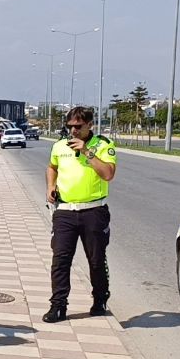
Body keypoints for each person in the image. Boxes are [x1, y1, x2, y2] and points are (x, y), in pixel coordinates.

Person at [44, 106, 117, 323]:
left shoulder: (103, 145)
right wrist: (51, 185)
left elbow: (108, 174)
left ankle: (100, 298)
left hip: (93, 211)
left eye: (78, 126)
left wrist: (86, 151)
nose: (73, 131)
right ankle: (58, 306)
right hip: (65, 211)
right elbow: (52, 167)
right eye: (70, 127)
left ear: (89, 125)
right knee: (60, 260)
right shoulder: (59, 146)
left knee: (95, 260)